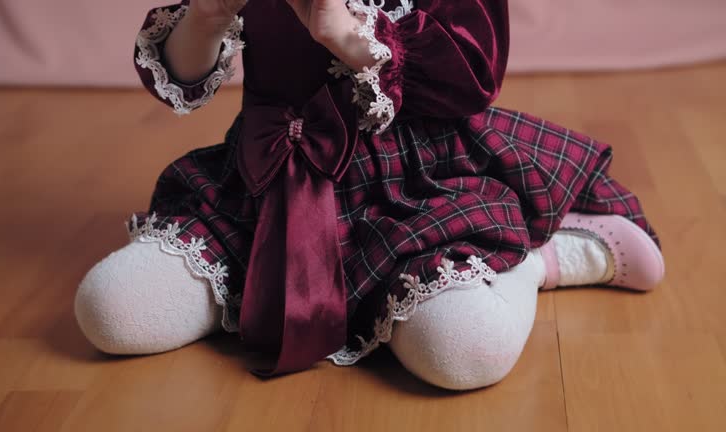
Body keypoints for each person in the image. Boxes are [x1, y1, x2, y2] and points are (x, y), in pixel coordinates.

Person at [74, 0, 664, 390]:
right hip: (267, 180)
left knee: (461, 349)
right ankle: (276, 288)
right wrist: (207, 15)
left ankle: (534, 258)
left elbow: (474, 70)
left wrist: (344, 31)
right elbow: (183, 76)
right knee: (109, 309)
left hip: (418, 186)